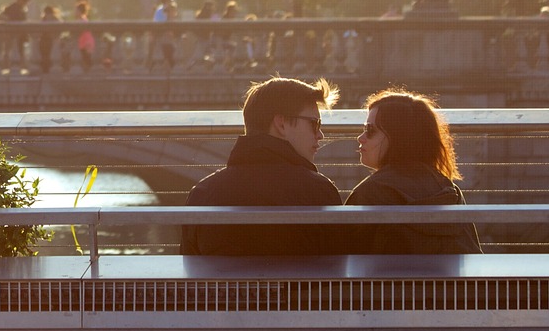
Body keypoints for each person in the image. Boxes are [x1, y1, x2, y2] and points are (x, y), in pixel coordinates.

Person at [182, 76, 343, 256]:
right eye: (314, 123)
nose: (320, 134)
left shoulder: (203, 193)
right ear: (281, 123)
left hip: (228, 285)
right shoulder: (319, 191)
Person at [345, 89, 482, 254]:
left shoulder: (370, 193)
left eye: (370, 130)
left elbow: (343, 258)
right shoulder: (448, 189)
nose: (360, 138)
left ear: (397, 137)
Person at [151, 0, 178, 71]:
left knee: (166, 54)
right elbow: (160, 23)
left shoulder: (165, 9)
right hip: (163, 36)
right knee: (166, 54)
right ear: (166, 1)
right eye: (170, 0)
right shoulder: (161, 10)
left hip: (166, 37)